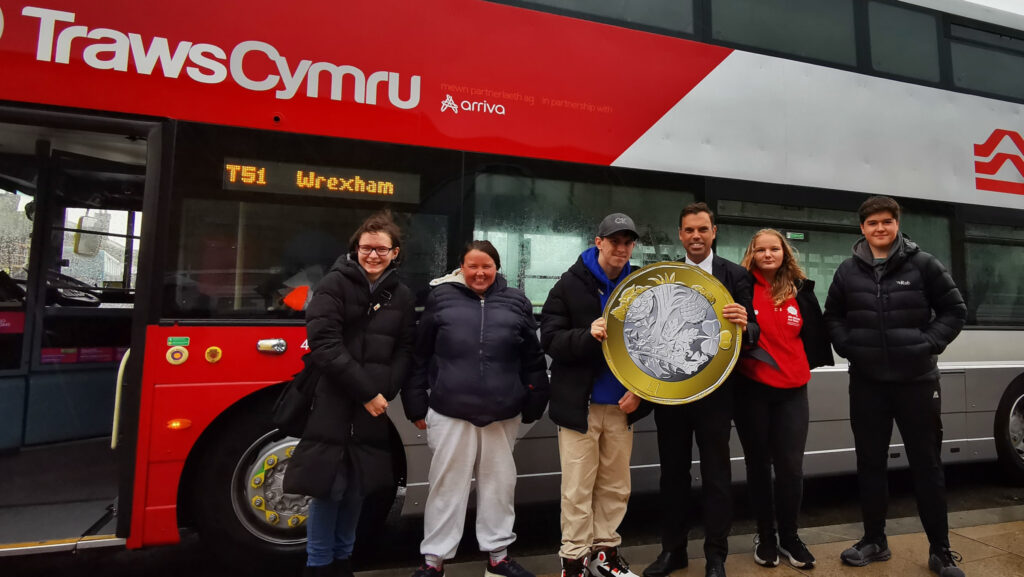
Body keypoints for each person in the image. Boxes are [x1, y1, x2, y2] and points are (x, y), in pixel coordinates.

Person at [824, 196, 967, 577]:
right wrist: (849, 346)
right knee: (870, 464)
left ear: (897, 224)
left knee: (927, 465)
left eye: (887, 221)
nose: (880, 228)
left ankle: (941, 550)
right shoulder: (847, 271)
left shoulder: (924, 264)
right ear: (862, 228)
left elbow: (955, 310)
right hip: (867, 384)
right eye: (873, 223)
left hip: (917, 382)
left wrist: (927, 343)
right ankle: (874, 541)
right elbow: (833, 316)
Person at [402, 240, 550, 577]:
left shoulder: (517, 301)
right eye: (473, 266)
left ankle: (498, 557)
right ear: (462, 268)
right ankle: (434, 561)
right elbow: (420, 355)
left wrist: (536, 399)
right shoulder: (440, 298)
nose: (480, 273)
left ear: (497, 268)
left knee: (499, 486)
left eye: (487, 266)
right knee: (446, 486)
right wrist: (415, 403)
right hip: (449, 411)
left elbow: (533, 358)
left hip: (502, 413)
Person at [284, 211, 416, 577]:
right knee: (329, 487)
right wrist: (367, 391)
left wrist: (386, 387)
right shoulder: (333, 284)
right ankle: (318, 564)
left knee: (359, 486)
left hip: (373, 404)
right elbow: (324, 345)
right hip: (334, 399)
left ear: (395, 252)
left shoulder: (402, 295)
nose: (373, 255)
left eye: (381, 249)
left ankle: (343, 561)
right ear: (355, 248)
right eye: (366, 247)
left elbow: (406, 347)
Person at [643, 202, 758, 577]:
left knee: (717, 476)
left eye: (703, 229)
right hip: (672, 392)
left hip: (717, 394)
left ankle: (716, 556)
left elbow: (754, 331)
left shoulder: (736, 275)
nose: (696, 236)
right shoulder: (665, 275)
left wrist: (745, 323)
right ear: (680, 234)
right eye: (689, 230)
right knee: (672, 475)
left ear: (714, 232)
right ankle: (673, 551)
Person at [540, 213, 648, 577]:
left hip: (622, 405)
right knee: (577, 489)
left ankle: (605, 557)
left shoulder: (641, 285)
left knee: (616, 487)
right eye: (614, 241)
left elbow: (657, 349)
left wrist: (640, 393)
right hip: (580, 407)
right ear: (598, 242)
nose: (621, 248)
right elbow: (550, 339)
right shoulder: (569, 284)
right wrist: (586, 335)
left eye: (627, 242)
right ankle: (573, 561)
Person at [734, 229, 833, 569]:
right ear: (752, 253)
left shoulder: (799, 290)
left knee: (791, 468)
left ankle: (790, 537)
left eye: (774, 248)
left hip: (793, 390)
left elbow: (813, 335)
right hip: (752, 390)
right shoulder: (740, 288)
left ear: (784, 252)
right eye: (760, 249)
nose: (767, 254)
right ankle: (766, 537)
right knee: (759, 467)